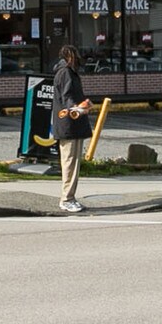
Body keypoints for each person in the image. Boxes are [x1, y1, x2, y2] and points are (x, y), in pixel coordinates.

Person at [51, 45, 94, 213]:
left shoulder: (66, 72)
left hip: (70, 123)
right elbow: (68, 96)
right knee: (70, 163)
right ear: (70, 56)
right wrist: (78, 108)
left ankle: (70, 197)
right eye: (75, 55)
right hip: (69, 123)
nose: (78, 58)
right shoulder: (66, 73)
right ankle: (67, 199)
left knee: (72, 163)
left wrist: (81, 106)